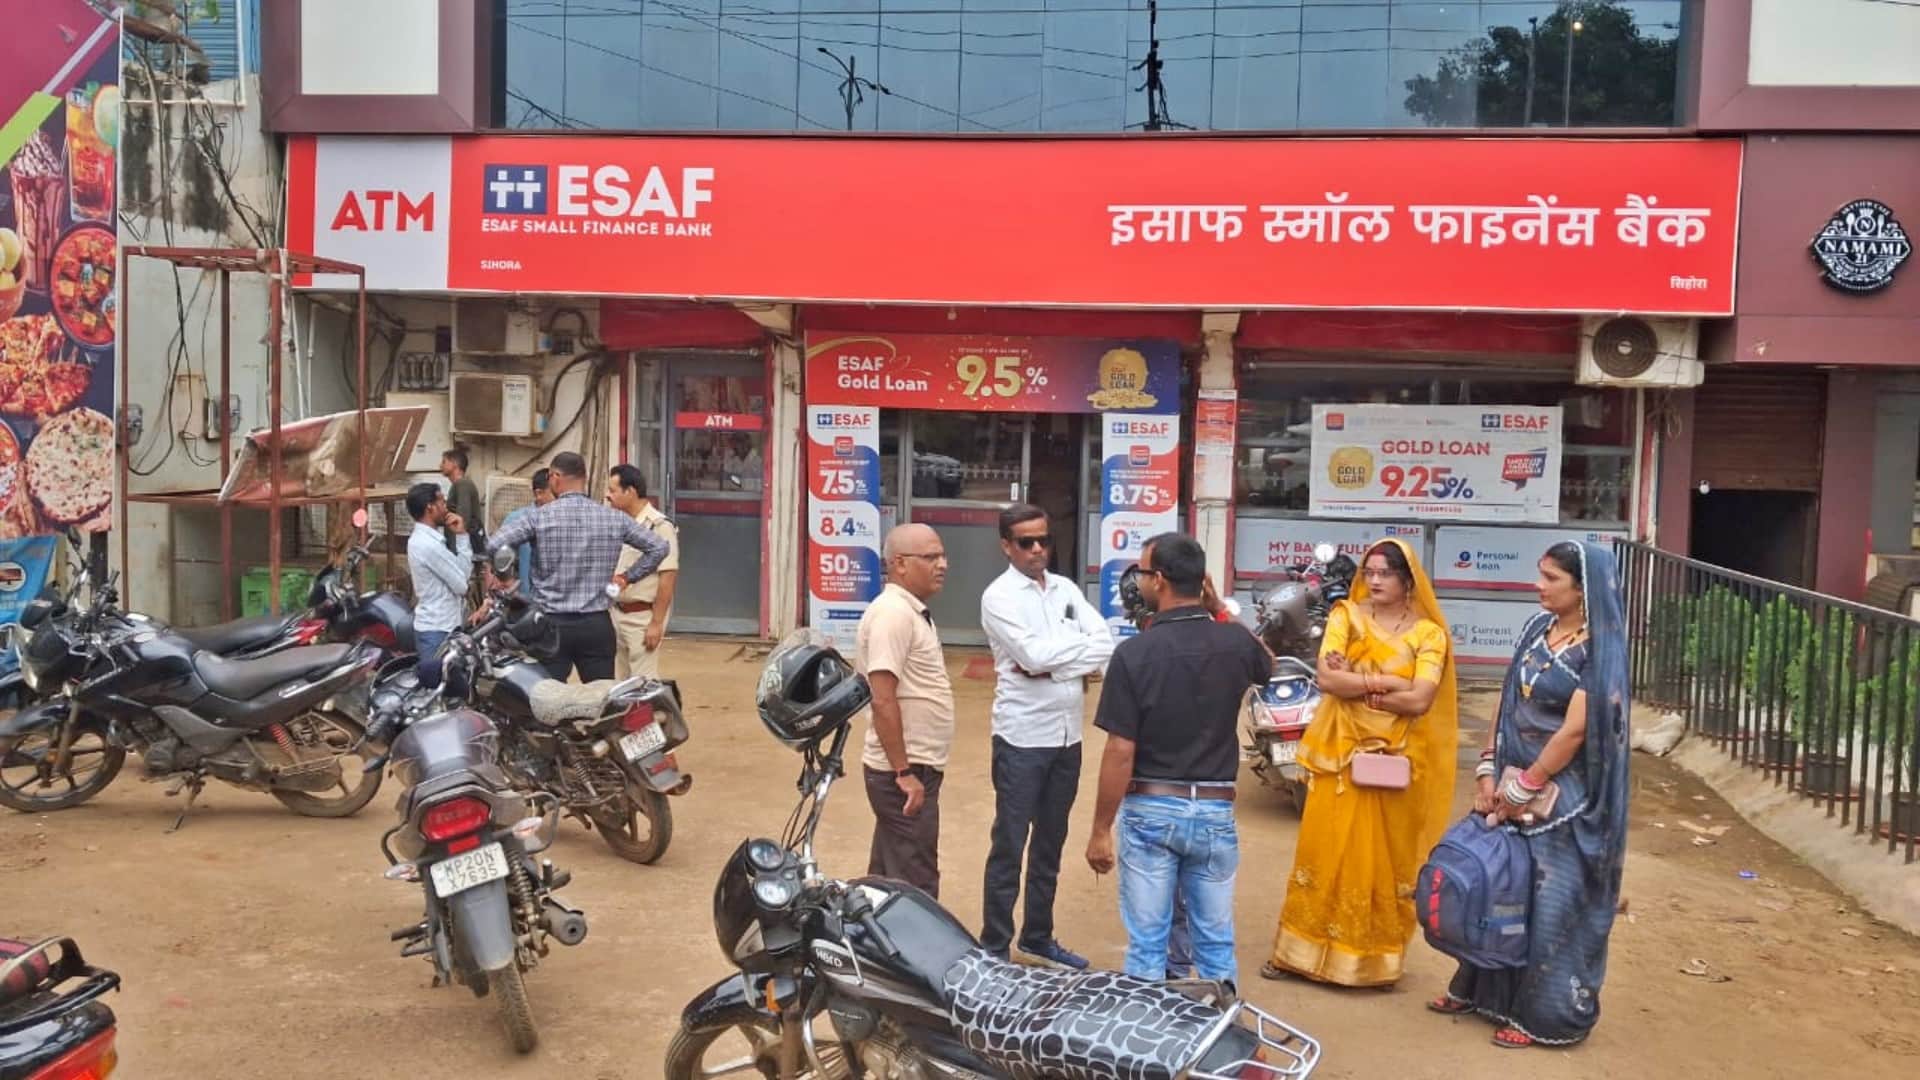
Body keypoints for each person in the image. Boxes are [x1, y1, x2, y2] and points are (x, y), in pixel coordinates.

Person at [1429, 541, 1629, 1049]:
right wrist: (1488, 770)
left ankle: (1546, 1017)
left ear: (1581, 589)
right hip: (1512, 783)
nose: (1537, 585)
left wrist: (1526, 785)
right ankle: (1479, 990)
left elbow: (1575, 732)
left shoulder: (1599, 650)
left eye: (1550, 578)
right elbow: (1504, 700)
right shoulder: (1535, 630)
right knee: (1496, 886)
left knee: (1550, 905)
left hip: (1566, 801)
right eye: (1539, 575)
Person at [1263, 538, 1457, 989]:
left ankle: (1372, 963)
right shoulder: (1345, 616)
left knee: (1384, 860)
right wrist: (1392, 681)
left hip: (1394, 759)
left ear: (1408, 581)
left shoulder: (1429, 634)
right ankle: (1297, 956)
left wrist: (1362, 683)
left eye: (1384, 574)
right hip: (1339, 754)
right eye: (1368, 572)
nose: (1373, 581)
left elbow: (1422, 699)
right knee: (1324, 849)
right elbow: (1329, 679)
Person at [1085, 532, 1271, 990]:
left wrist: (1100, 829)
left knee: (1148, 943)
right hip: (1213, 811)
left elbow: (1120, 750)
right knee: (1214, 942)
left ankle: (1151, 1050)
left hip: (1151, 809)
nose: (1140, 581)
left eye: (1144, 572)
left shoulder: (1134, 653)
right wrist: (1220, 611)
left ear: (1160, 581)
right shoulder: (1232, 642)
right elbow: (1268, 665)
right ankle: (1221, 1045)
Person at [978, 504, 1114, 969]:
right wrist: (1068, 663)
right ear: (1006, 546)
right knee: (1009, 845)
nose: (1038, 550)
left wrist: (1054, 665)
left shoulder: (1066, 589)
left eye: (1043, 540)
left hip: (1066, 738)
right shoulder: (998, 597)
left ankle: (1038, 936)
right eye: (1025, 542)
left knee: (1050, 843)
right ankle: (995, 946)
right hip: (1021, 738)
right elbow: (1032, 657)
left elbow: (1105, 642)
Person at [487, 452, 669, 683]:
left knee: (546, 702)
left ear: (555, 477)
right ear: (584, 478)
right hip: (596, 624)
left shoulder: (538, 518)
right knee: (601, 699)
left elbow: (494, 545)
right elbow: (659, 548)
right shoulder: (613, 518)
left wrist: (507, 578)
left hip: (550, 625)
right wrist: (627, 577)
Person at [857, 523, 953, 898]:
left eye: (942, 555)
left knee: (888, 877)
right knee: (917, 885)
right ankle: (924, 956)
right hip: (903, 773)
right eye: (931, 557)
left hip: (915, 768)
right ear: (899, 563)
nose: (942, 564)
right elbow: (882, 698)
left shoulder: (910, 611)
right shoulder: (893, 614)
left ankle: (865, 952)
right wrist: (903, 772)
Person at [605, 464, 680, 681]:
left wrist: (656, 624)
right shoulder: (620, 523)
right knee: (619, 686)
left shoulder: (659, 526)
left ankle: (655, 716)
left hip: (642, 617)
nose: (608, 496)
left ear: (631, 492)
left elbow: (668, 577)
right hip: (617, 613)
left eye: (613, 490)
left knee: (643, 687)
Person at [404, 482, 471, 687]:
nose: (446, 506)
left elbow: (463, 575)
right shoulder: (427, 545)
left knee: (453, 691)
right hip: (437, 630)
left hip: (446, 626)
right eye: (441, 501)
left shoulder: (433, 540)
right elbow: (462, 586)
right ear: (430, 507)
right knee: (440, 694)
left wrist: (461, 537)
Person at [498, 468, 553, 597]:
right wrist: (508, 582)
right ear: (539, 493)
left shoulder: (562, 520)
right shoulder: (517, 519)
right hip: (527, 601)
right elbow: (498, 553)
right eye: (555, 493)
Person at [441, 447, 484, 549]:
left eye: (444, 462)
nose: (440, 466)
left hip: (464, 543)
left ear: (454, 464)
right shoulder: (459, 484)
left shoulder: (462, 483)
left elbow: (463, 518)